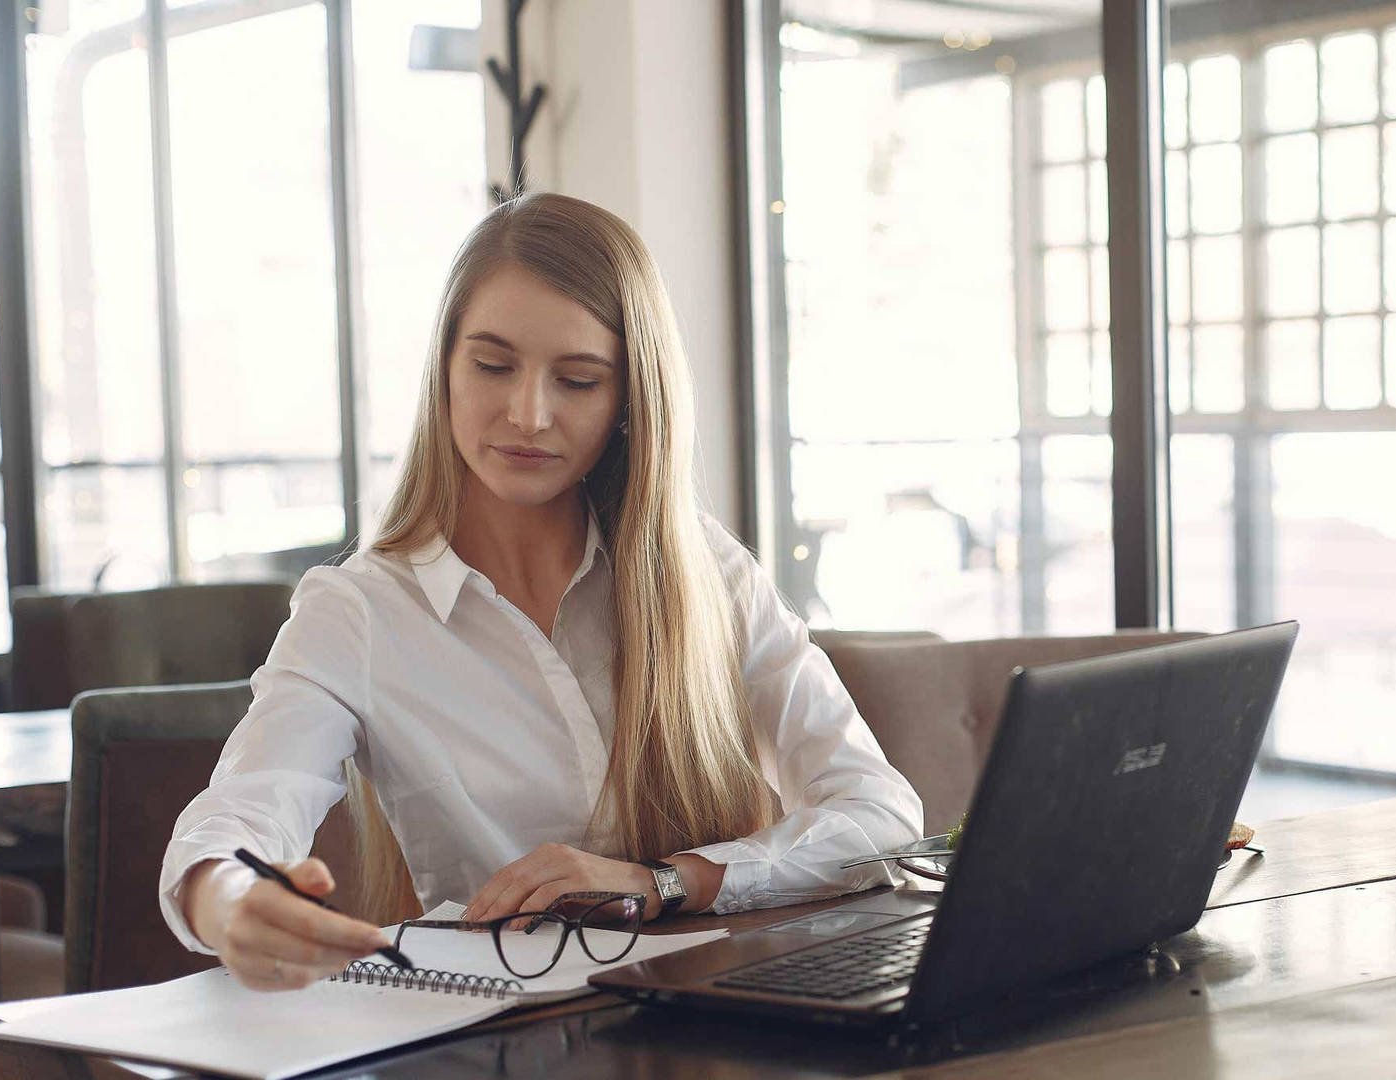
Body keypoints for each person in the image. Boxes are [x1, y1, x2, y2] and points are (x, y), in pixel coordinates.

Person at [158, 193, 923, 991]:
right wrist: (231, 899)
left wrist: (665, 882)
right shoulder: (358, 613)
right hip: (506, 1036)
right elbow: (241, 813)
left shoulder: (707, 574)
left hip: (724, 1017)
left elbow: (880, 816)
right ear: (444, 370)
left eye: (579, 380)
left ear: (630, 400)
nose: (528, 414)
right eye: (492, 366)